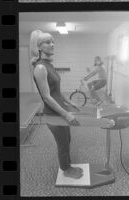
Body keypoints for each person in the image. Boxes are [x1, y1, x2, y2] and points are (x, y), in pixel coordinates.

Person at [29, 30, 83, 179]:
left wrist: (69, 102)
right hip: (54, 114)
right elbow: (46, 97)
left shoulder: (49, 65)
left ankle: (68, 165)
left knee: (68, 140)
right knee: (63, 144)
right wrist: (66, 114)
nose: (52, 44)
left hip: (61, 111)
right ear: (39, 47)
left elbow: (56, 91)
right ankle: (66, 169)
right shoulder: (40, 68)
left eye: (53, 41)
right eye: (47, 42)